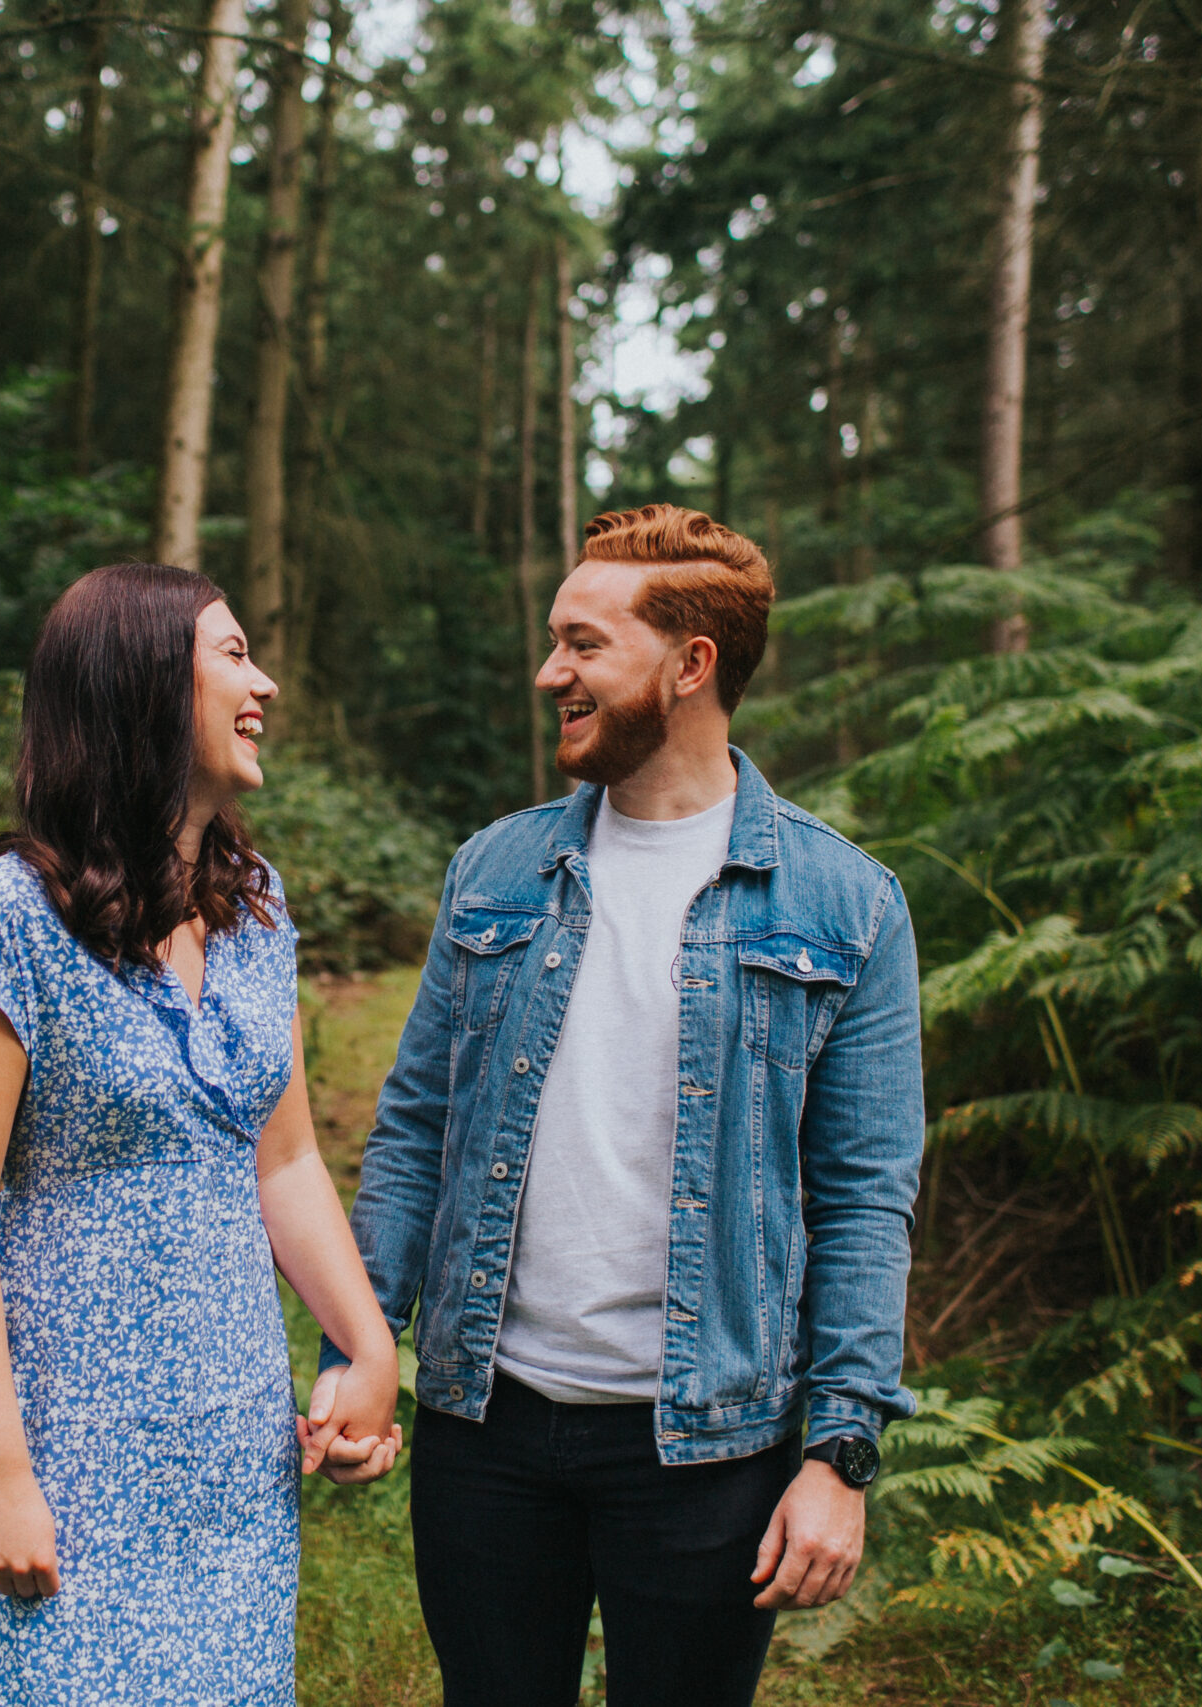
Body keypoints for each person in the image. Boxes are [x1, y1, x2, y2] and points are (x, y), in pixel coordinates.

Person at [308, 504, 926, 1707]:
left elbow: (862, 1201)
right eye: (556, 641)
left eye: (582, 644)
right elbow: (416, 1130)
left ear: (690, 666)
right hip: (486, 1430)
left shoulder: (847, 904)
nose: (551, 672)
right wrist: (363, 1346)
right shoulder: (494, 869)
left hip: (708, 1449)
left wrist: (839, 1455)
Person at [0, 563, 404, 1707]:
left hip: (228, 1438)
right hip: (65, 1429)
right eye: (233, 654)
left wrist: (366, 1346)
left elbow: (286, 1157)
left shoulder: (255, 910)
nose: (264, 684)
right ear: (144, 685)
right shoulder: (10, 914)